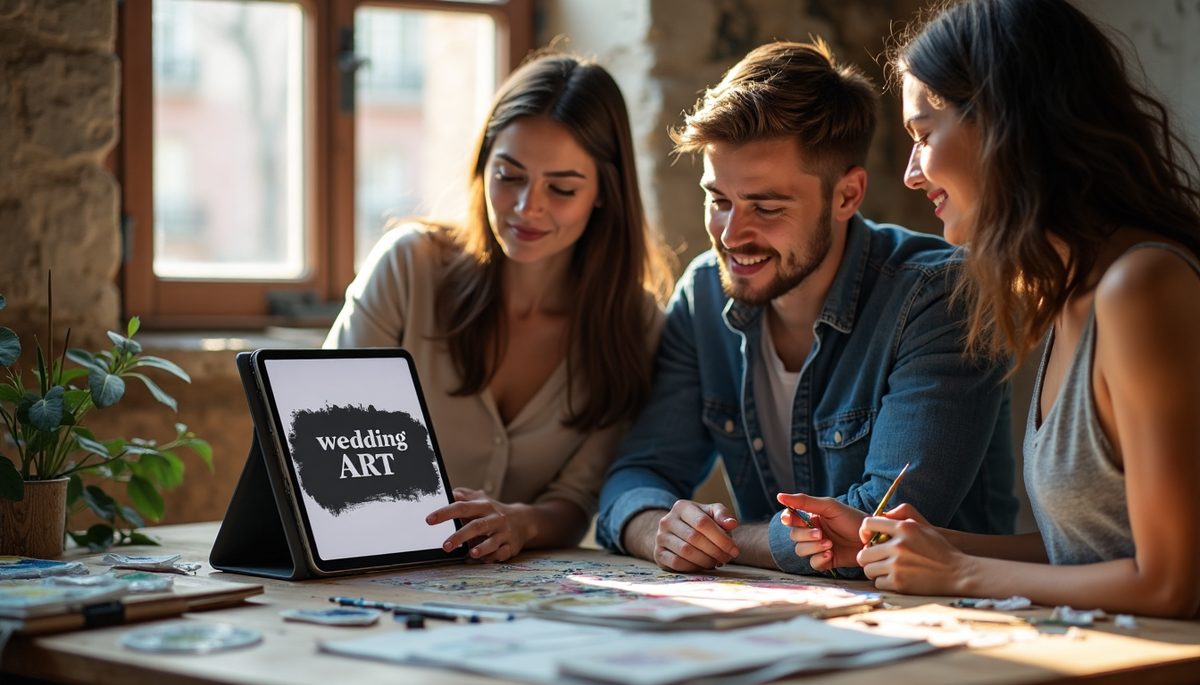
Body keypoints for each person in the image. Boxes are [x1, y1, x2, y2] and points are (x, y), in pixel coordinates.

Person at [781, 0, 1200, 617]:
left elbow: (1173, 584)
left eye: (924, 135)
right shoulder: (1068, 300)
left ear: (1005, 125)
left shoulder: (1141, 286)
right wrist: (912, 545)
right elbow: (1090, 550)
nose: (911, 174)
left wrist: (960, 571)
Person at [596, 39, 1017, 576]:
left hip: (945, 624)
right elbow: (636, 475)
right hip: (785, 623)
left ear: (847, 195)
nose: (731, 235)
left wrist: (722, 541)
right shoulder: (705, 290)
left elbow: (876, 531)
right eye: (718, 200)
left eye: (766, 207)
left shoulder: (939, 295)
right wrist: (662, 529)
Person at [326, 52, 671, 563]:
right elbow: (323, 438)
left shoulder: (634, 324)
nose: (527, 207)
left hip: (516, 592)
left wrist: (523, 522)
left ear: (604, 192)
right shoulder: (409, 268)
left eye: (562, 188)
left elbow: (577, 500)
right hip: (359, 562)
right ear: (483, 164)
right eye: (509, 175)